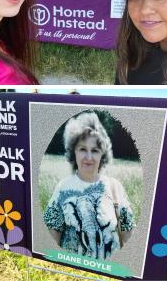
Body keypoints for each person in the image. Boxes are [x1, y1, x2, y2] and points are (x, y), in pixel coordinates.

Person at [43, 111, 135, 260]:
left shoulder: (115, 187)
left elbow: (128, 237)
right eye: (83, 149)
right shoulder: (62, 188)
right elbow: (51, 239)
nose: (89, 157)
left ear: (102, 154)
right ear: (74, 151)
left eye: (95, 150)